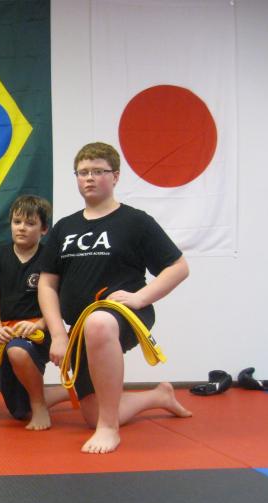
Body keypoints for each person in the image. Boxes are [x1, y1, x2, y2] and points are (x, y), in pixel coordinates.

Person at [38, 142, 192, 454]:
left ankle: (109, 429)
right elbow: (47, 284)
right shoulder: (64, 227)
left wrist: (141, 297)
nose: (89, 178)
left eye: (98, 171)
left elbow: (178, 267)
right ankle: (158, 396)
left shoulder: (136, 221)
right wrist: (58, 335)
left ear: (116, 176)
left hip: (124, 314)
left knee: (99, 322)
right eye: (82, 172)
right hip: (80, 328)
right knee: (91, 414)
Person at [0, 195, 68, 430]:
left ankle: (40, 407)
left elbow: (58, 299)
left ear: (44, 229)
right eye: (17, 222)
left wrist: (39, 325)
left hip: (39, 331)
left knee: (18, 350)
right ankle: (73, 390)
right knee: (18, 410)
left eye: (30, 223)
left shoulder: (50, 257)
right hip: (7, 332)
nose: (21, 228)